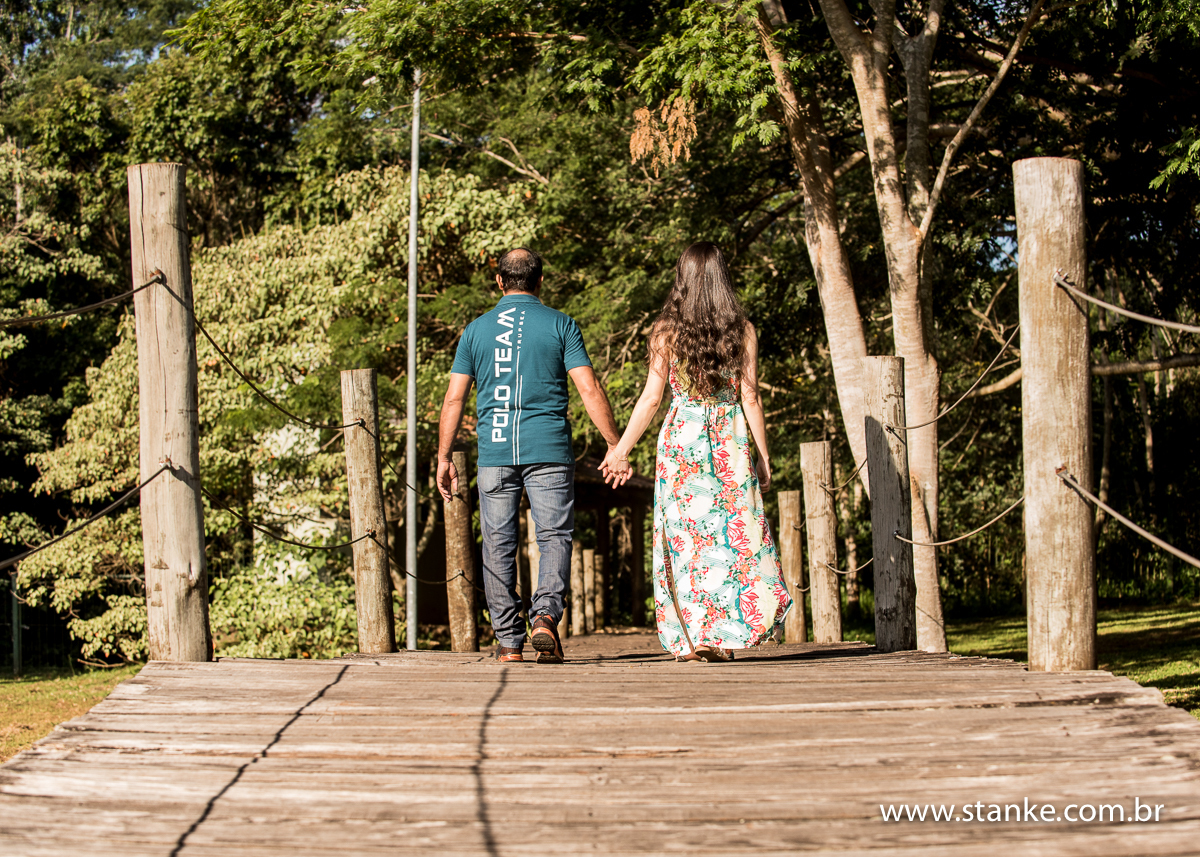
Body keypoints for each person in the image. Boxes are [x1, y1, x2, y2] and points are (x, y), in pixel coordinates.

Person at [602, 242, 791, 662]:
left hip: (682, 440)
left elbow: (651, 399)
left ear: (682, 278)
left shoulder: (666, 331)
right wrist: (762, 455)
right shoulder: (743, 330)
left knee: (687, 540)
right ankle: (723, 635)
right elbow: (750, 397)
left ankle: (694, 638)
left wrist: (621, 450)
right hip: (729, 440)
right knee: (733, 536)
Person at [437, 248, 623, 664]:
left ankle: (508, 642)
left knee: (497, 542)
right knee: (553, 536)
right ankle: (544, 618)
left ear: (499, 281)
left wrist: (444, 456)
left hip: (495, 451)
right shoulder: (561, 324)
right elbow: (588, 388)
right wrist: (615, 444)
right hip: (549, 449)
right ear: (540, 281)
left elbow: (454, 399)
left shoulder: (475, 331)